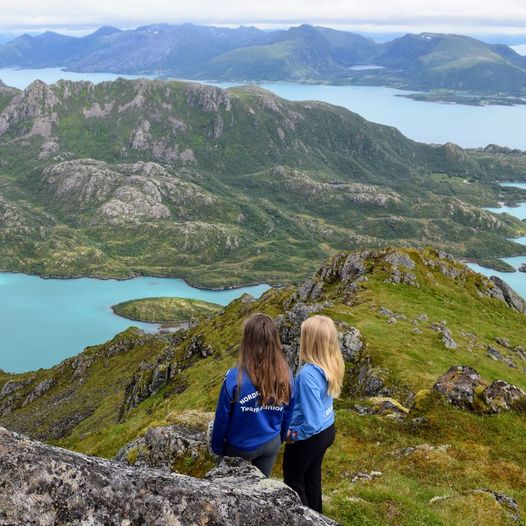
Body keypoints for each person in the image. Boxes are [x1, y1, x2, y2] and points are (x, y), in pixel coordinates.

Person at [210, 313, 295, 477]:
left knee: (229, 489)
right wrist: (281, 436)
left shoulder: (235, 378)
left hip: (238, 447)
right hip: (271, 442)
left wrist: (217, 448)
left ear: (247, 342)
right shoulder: (287, 375)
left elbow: (222, 418)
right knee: (260, 489)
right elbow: (288, 412)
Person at [283, 315, 345, 513]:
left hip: (310, 437)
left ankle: (303, 519)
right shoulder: (332, 363)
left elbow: (312, 422)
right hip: (327, 430)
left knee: (293, 481)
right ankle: (319, 517)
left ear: (310, 341)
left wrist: (293, 435)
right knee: (312, 478)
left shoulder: (307, 375)